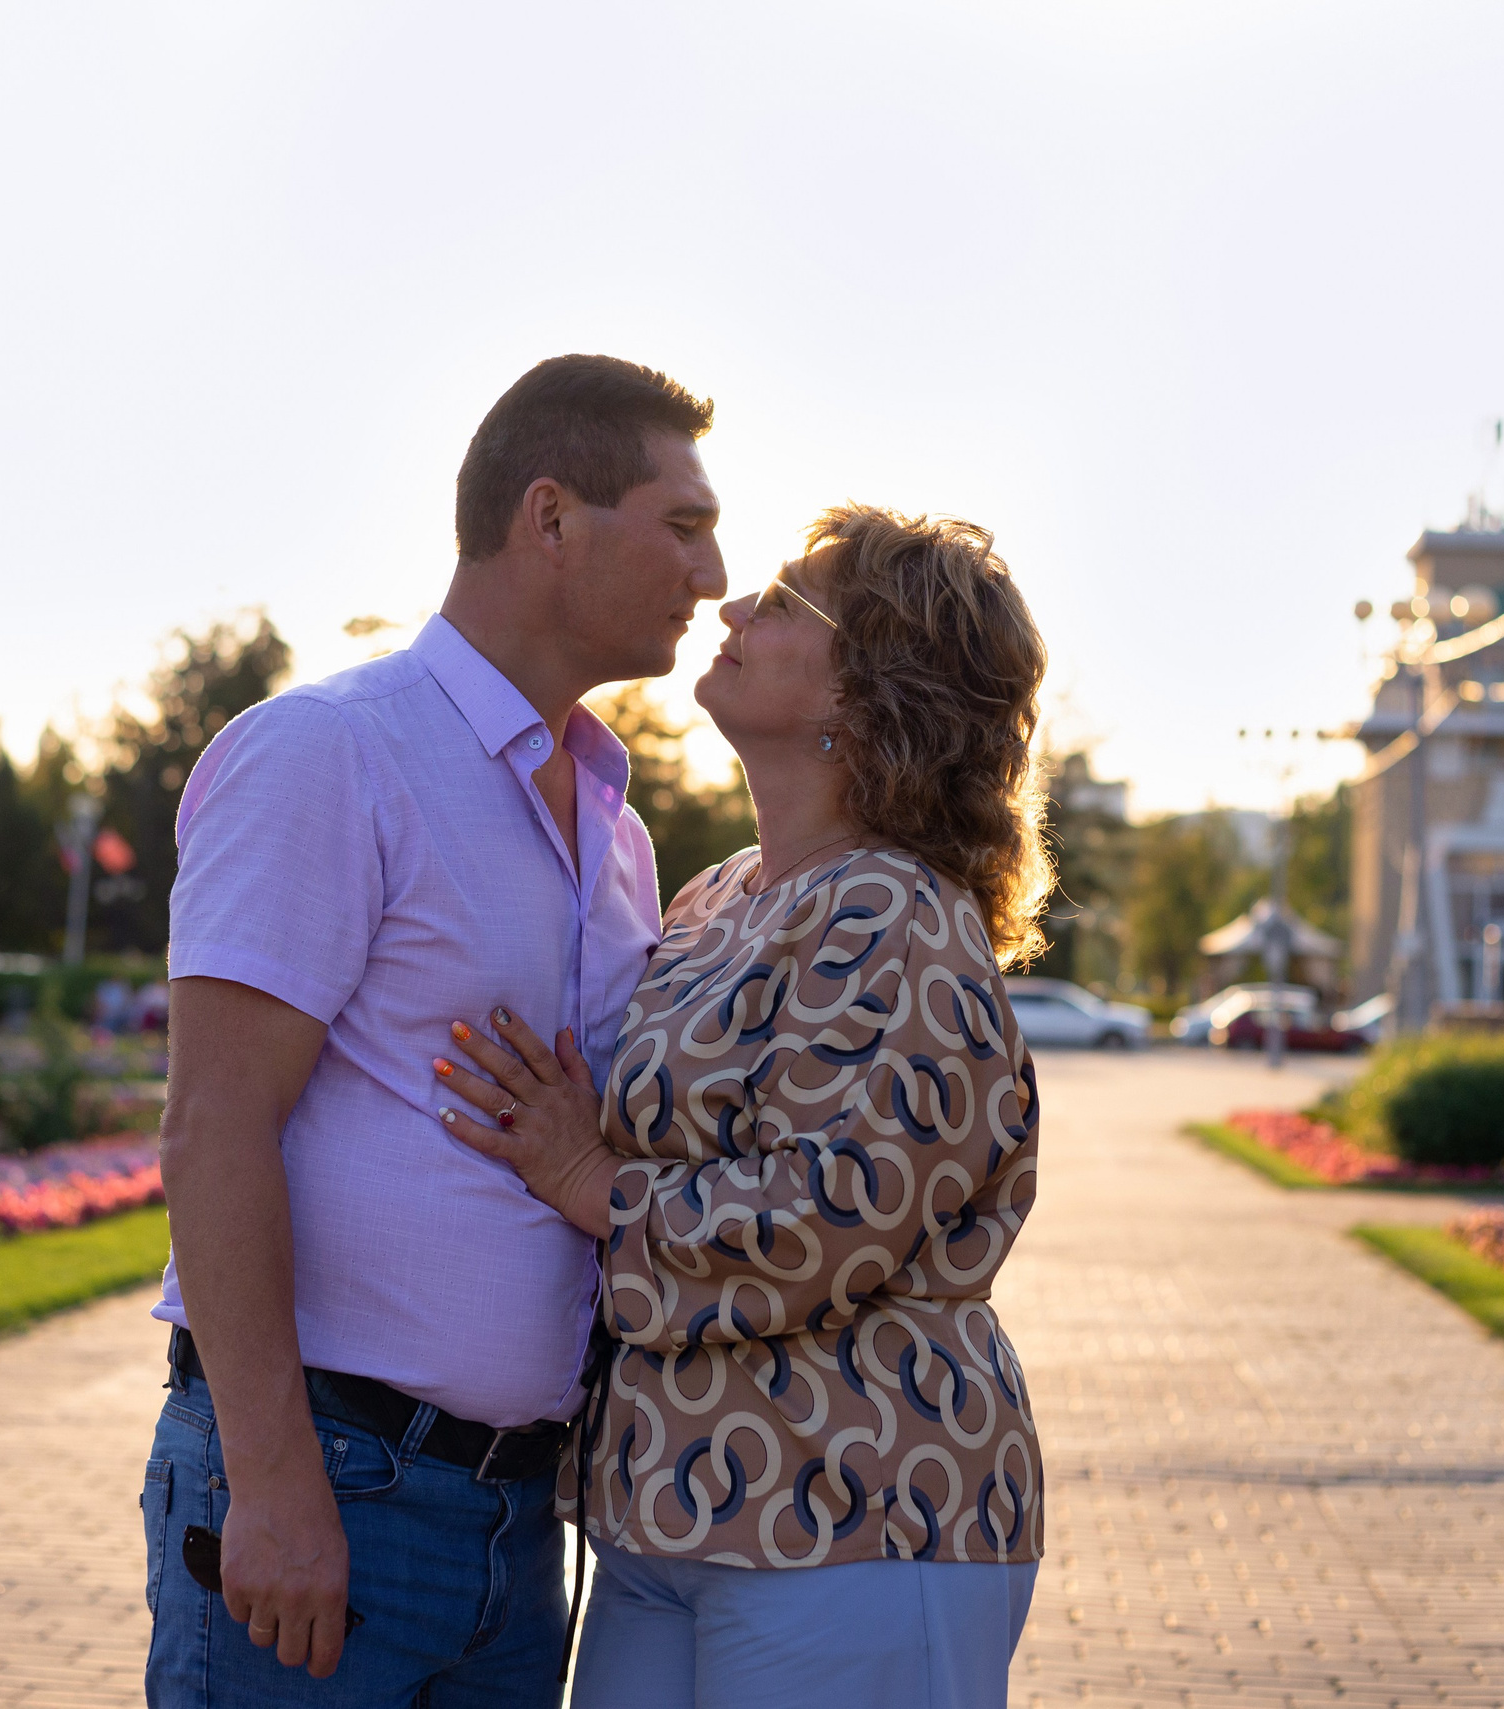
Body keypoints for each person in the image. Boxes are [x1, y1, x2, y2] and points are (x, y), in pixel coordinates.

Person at [144, 354, 726, 1706]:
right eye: (683, 524)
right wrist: (280, 1491)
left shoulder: (620, 839)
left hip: (520, 1535)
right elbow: (212, 1121)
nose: (712, 576)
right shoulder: (329, 754)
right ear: (551, 520)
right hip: (331, 1494)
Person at [436, 506, 1052, 1709]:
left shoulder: (898, 914)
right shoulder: (725, 892)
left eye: (780, 601)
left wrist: (586, 1183)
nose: (730, 608)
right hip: (671, 1509)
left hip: (860, 1507)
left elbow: (828, 1219)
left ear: (870, 691)